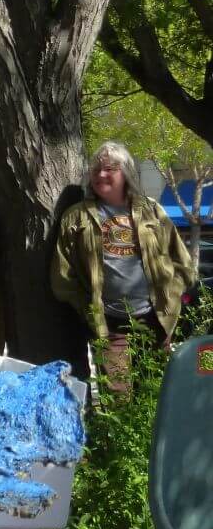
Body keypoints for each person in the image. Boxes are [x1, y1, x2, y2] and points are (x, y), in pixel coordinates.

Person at [51, 141, 194, 389]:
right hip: (110, 325)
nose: (100, 175)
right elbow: (63, 276)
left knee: (156, 393)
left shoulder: (151, 209)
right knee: (118, 398)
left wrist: (172, 293)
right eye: (96, 170)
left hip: (155, 319)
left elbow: (180, 259)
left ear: (126, 172)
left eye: (109, 169)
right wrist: (87, 309)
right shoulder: (76, 217)